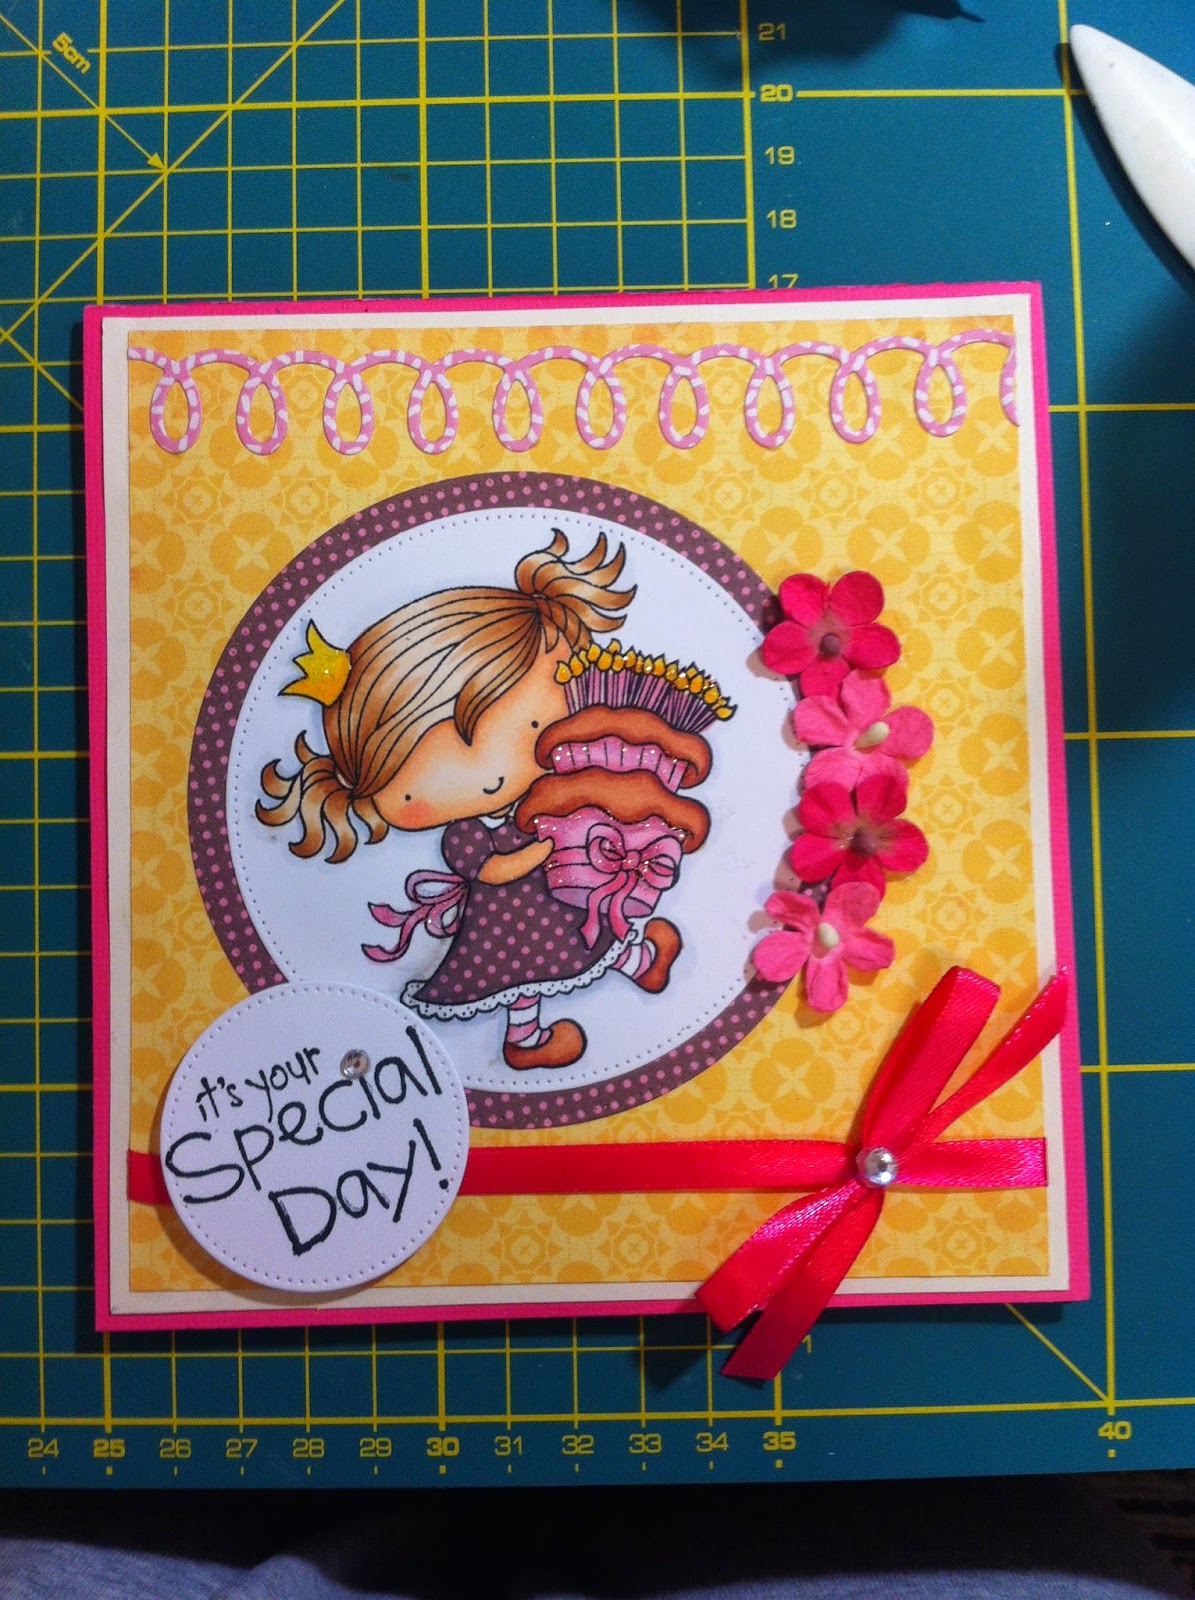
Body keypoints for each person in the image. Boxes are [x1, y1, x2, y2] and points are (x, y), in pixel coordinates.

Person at [257, 530, 685, 1071]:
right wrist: (543, 850)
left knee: (592, 932)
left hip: (564, 896)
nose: (492, 775)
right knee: (525, 975)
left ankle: (641, 960)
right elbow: (496, 871)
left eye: (531, 726)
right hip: (509, 922)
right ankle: (525, 1040)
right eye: (428, 779)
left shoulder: (560, 783)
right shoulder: (467, 835)